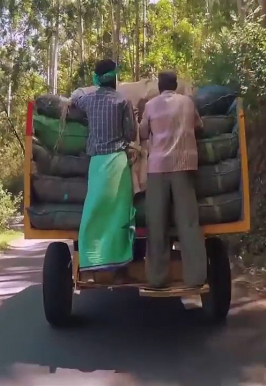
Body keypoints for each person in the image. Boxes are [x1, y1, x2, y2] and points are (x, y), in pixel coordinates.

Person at [139, 70, 207, 288]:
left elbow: (142, 133)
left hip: (157, 168)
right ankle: (195, 278)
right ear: (176, 85)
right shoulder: (188, 103)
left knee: (156, 223)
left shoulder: (150, 106)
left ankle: (157, 279)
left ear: (160, 86)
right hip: (184, 166)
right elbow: (199, 127)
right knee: (188, 222)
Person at [71, 59, 138, 271]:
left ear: (97, 80)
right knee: (119, 212)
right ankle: (118, 256)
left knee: (95, 211)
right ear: (115, 79)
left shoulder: (88, 101)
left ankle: (92, 259)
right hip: (118, 164)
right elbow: (131, 134)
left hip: (97, 164)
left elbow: (75, 98)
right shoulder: (122, 102)